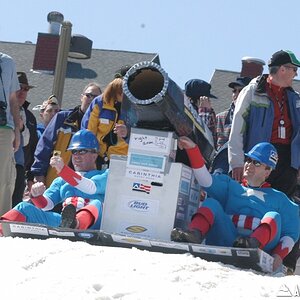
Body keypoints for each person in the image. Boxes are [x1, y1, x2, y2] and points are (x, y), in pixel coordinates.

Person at [171, 137, 299, 273]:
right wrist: (193, 150)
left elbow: (291, 233)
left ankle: (252, 244)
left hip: (260, 247)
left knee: (273, 216)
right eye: (248, 160)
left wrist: (278, 256)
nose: (249, 165)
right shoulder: (230, 186)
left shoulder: (279, 198)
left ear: (267, 172)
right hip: (229, 238)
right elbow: (205, 180)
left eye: (256, 163)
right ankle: (194, 235)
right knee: (211, 203)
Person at [228, 50, 300, 273]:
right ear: (281, 69)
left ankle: (285, 264)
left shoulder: (295, 97)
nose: (295, 74)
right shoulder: (253, 90)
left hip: (287, 161)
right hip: (258, 159)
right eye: (293, 69)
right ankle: (247, 253)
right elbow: (237, 126)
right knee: (255, 205)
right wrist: (237, 162)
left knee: (290, 211)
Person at [0, 129, 108, 232]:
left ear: (94, 155)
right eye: (74, 152)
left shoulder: (105, 174)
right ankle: (1, 229)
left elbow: (91, 187)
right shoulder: (61, 180)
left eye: (82, 151)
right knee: (24, 207)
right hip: (64, 223)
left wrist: (64, 170)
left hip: (94, 224)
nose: (77, 156)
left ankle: (76, 224)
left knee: (97, 203)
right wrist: (37, 195)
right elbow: (47, 205)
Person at [31, 82, 102, 188]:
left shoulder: (103, 126)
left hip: (86, 186)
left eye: (96, 97)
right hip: (56, 184)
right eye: (88, 95)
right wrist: (38, 174)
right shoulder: (62, 118)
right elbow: (44, 147)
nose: (91, 99)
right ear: (81, 97)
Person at [81, 78, 128, 169]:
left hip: (121, 158)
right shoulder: (99, 103)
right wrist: (90, 154)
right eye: (122, 91)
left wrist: (127, 132)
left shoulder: (135, 106)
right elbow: (88, 131)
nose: (125, 94)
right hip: (98, 155)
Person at [211, 76, 251, 175]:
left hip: (245, 171)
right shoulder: (220, 118)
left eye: (240, 90)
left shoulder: (255, 118)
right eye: (234, 91)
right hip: (222, 171)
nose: (236, 94)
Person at [12, 72, 38, 206]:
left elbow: (31, 146)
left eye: (26, 89)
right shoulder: (3, 109)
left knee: (14, 206)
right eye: (19, 87)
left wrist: (30, 177)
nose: (22, 92)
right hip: (4, 162)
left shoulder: (31, 117)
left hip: (19, 167)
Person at [0, 52, 21, 215]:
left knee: (4, 178)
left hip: (4, 128)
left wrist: (17, 131)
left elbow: (13, 100)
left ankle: (1, 224)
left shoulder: (7, 62)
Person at [185, 79, 217, 149]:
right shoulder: (187, 111)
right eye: (207, 98)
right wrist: (204, 111)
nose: (209, 101)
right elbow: (201, 136)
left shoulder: (210, 112)